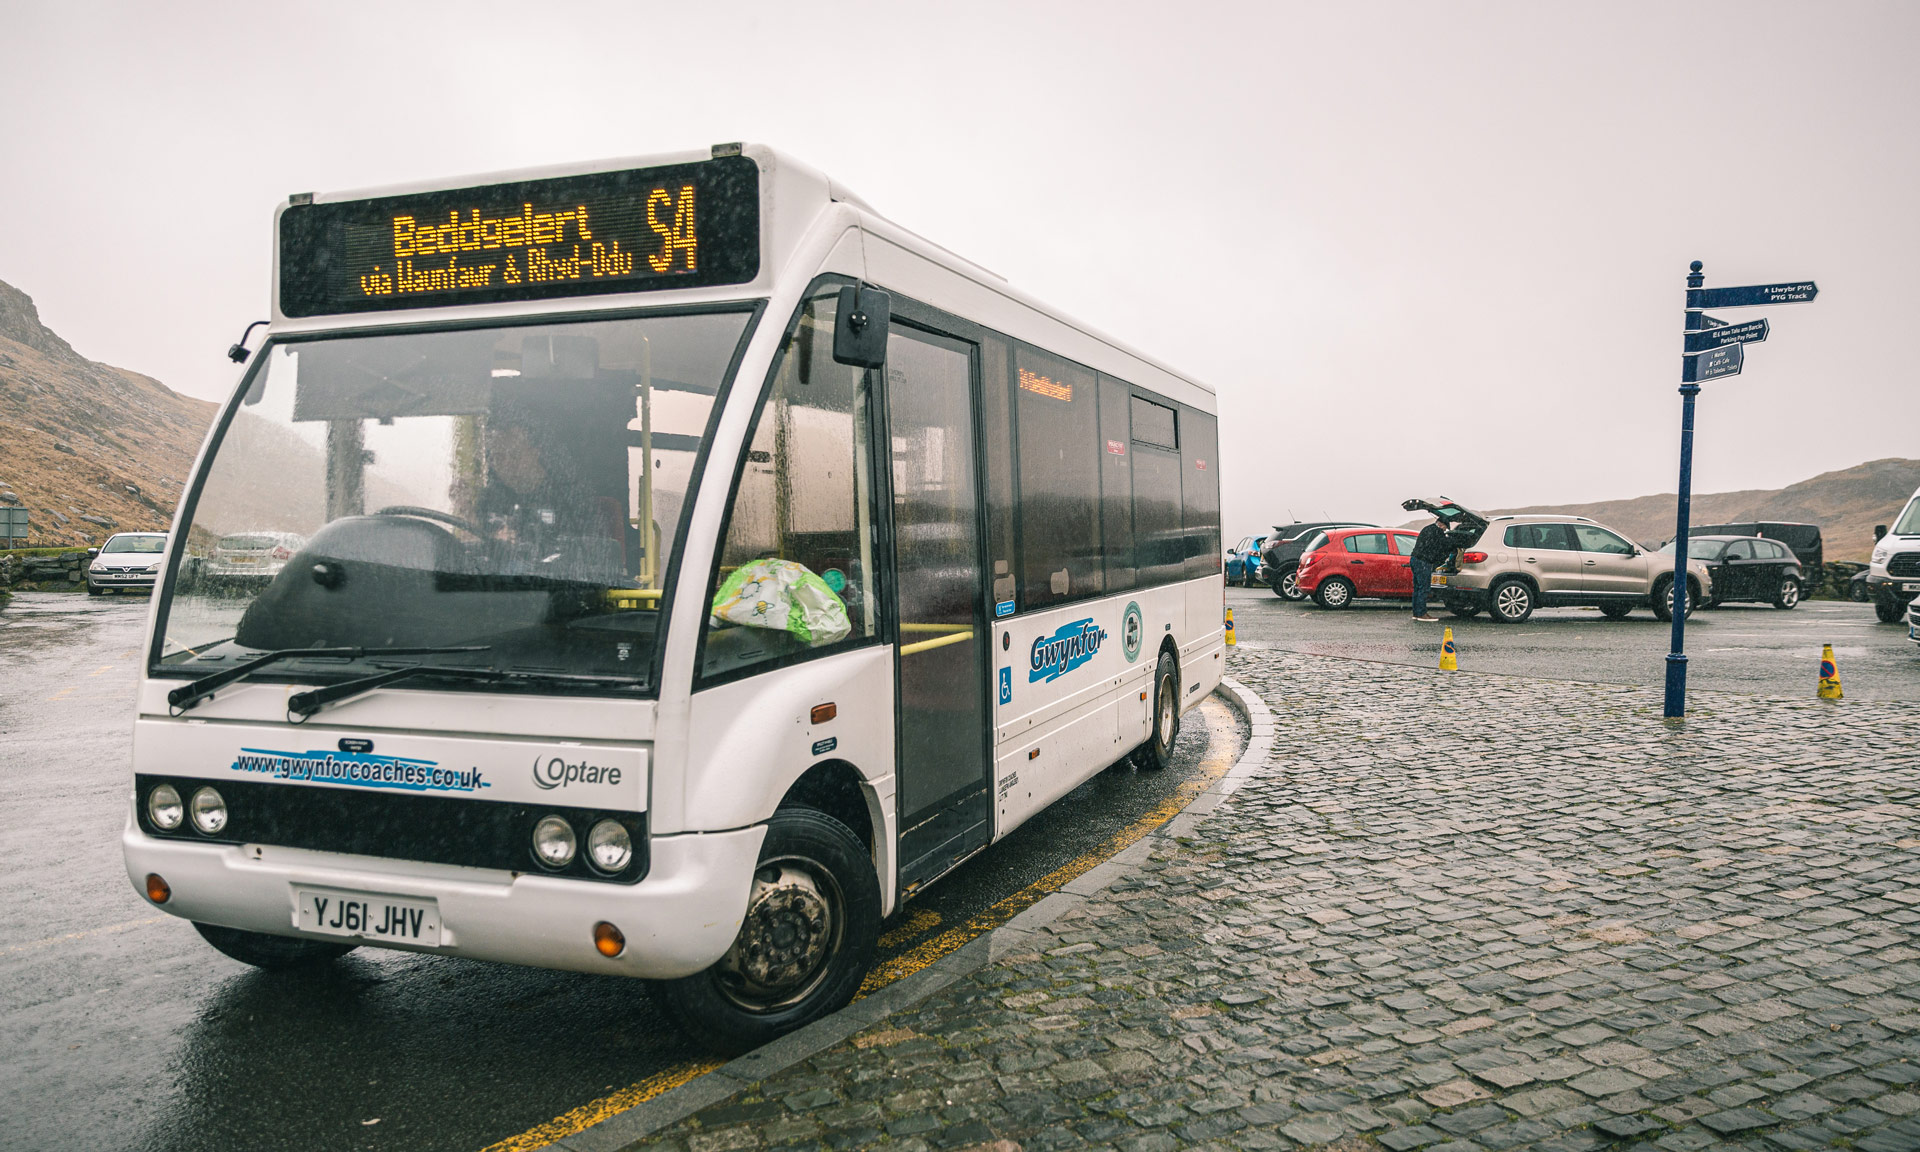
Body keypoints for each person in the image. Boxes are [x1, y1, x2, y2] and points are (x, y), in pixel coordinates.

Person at [1408, 515, 1461, 622]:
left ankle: (1416, 613)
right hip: (1423, 562)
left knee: (1418, 588)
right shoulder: (1436, 532)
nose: (1445, 531)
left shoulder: (1427, 528)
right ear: (1441, 524)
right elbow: (1444, 545)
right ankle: (1422, 614)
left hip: (1414, 559)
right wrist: (1457, 542)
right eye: (1445, 528)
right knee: (1424, 588)